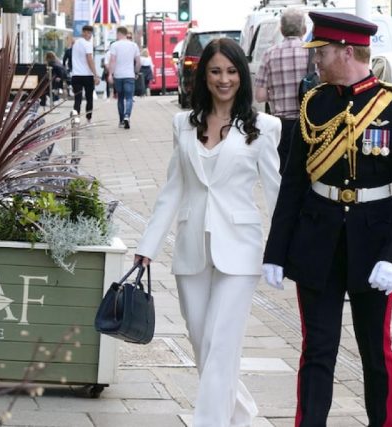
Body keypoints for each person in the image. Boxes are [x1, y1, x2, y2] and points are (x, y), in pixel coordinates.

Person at [262, 11, 392, 426]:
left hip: (374, 244)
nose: (315, 60)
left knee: (376, 351)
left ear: (347, 51)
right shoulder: (314, 103)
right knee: (317, 350)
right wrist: (276, 250)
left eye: (323, 52)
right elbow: (294, 182)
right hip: (317, 241)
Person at [134, 38, 281, 426]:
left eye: (231, 71)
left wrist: (284, 250)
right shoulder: (182, 123)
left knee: (221, 345)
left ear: (242, 75)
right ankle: (244, 418)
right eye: (215, 71)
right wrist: (147, 245)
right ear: (204, 75)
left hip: (241, 251)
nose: (224, 79)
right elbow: (173, 189)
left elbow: (276, 192)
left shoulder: (264, 127)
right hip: (191, 248)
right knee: (203, 345)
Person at [254, 8, 309, 172]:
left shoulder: (269, 54)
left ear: (281, 30)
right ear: (304, 30)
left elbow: (260, 96)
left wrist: (277, 92)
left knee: (284, 173)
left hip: (281, 126)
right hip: (308, 124)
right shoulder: (312, 52)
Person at [107, 27, 141, 129]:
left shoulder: (114, 45)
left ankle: (121, 121)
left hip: (118, 75)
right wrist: (136, 72)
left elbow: (112, 61)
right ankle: (127, 116)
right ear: (126, 34)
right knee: (129, 98)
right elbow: (139, 62)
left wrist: (110, 74)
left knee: (120, 98)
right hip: (129, 75)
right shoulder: (133, 45)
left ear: (118, 34)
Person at [71, 25, 100, 123]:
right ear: (87, 33)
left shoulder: (75, 43)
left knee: (77, 99)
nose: (90, 36)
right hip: (87, 75)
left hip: (76, 75)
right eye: (90, 33)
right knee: (89, 98)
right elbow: (89, 59)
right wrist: (95, 74)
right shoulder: (88, 44)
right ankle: (88, 118)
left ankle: (76, 118)